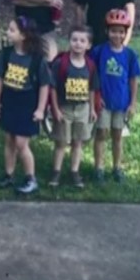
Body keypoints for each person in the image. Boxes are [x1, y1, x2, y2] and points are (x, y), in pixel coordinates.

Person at [0, 16, 53, 195]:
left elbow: (44, 85)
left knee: (21, 142)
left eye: (12, 30)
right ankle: (8, 174)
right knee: (9, 139)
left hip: (27, 103)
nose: (7, 33)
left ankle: (30, 178)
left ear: (24, 35)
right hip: (9, 100)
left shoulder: (36, 59)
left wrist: (41, 109)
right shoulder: (7, 54)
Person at [90, 9, 140, 184]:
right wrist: (96, 97)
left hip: (121, 103)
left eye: (121, 31)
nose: (117, 35)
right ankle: (98, 168)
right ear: (107, 31)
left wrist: (133, 103)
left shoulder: (130, 55)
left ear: (125, 33)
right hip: (104, 102)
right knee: (101, 133)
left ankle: (117, 167)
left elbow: (134, 80)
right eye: (113, 31)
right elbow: (91, 73)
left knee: (117, 135)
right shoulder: (99, 51)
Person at [47, 25, 100, 189]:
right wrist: (55, 109)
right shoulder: (60, 64)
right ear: (69, 41)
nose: (78, 44)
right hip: (64, 109)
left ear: (88, 45)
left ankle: (74, 172)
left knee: (78, 142)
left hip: (82, 109)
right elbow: (53, 88)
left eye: (82, 41)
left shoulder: (90, 66)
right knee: (61, 142)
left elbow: (92, 88)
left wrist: (92, 108)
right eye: (74, 40)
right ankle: (56, 172)